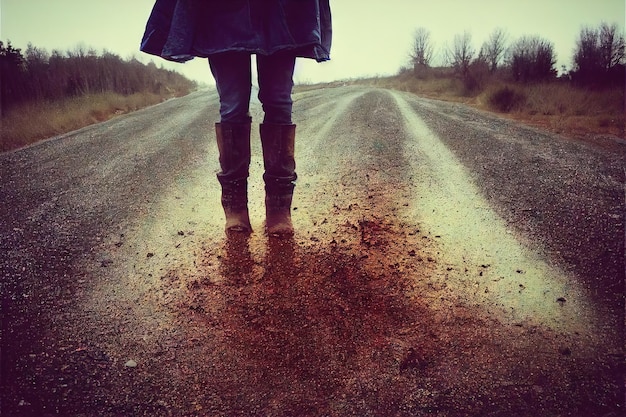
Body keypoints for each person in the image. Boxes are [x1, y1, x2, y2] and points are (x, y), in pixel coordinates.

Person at [140, 1, 332, 237]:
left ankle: (279, 207)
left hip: (281, 9)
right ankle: (235, 206)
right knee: (232, 105)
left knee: (279, 102)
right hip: (222, 10)